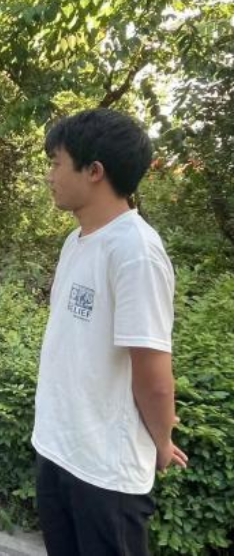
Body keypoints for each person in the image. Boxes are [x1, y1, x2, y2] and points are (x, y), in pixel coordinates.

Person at [31, 109, 188, 555]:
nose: (50, 176)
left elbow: (153, 374)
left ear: (94, 171)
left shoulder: (136, 251)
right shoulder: (77, 241)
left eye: (57, 163)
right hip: (58, 449)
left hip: (106, 473)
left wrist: (161, 441)